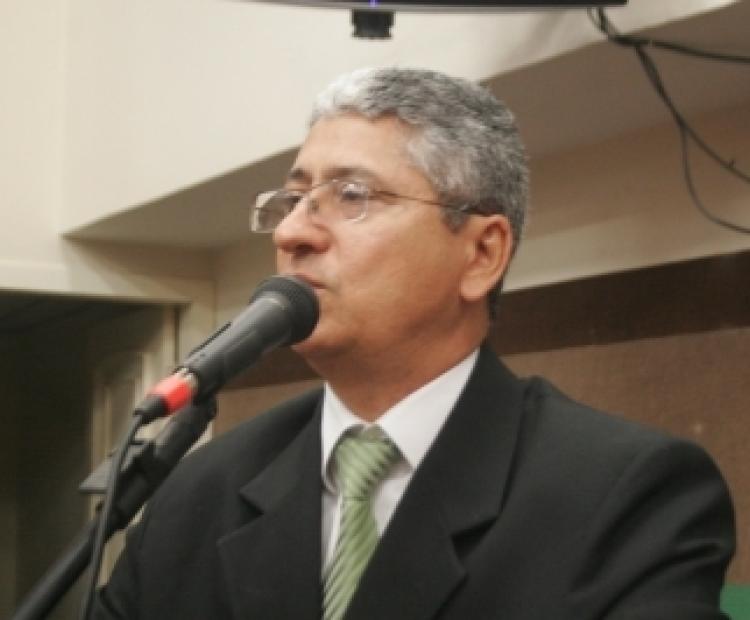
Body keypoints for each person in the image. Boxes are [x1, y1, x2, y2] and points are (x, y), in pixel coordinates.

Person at [93, 67, 735, 619]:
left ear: (481, 254)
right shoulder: (199, 491)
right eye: (293, 199)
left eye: (351, 195)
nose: (291, 233)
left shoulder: (626, 494)